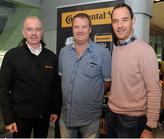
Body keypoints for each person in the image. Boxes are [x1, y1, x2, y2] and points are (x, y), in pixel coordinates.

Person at [0, 16, 61, 138]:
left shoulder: (51, 57)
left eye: (37, 29)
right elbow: (3, 88)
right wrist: (8, 119)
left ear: (42, 32)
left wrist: (55, 110)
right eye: (29, 29)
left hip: (43, 116)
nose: (34, 33)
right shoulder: (12, 55)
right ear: (23, 32)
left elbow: (56, 86)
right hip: (20, 118)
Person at [106, 3, 161, 138]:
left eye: (124, 20)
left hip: (132, 121)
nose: (119, 25)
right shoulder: (117, 49)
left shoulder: (145, 51)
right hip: (111, 115)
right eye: (115, 21)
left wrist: (150, 127)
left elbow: (154, 91)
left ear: (133, 21)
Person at [58, 13, 111, 138]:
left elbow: (107, 82)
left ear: (90, 29)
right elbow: (62, 77)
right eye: (76, 27)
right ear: (72, 29)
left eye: (84, 27)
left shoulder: (103, 53)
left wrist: (91, 95)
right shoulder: (63, 52)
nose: (80, 30)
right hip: (66, 116)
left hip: (90, 118)